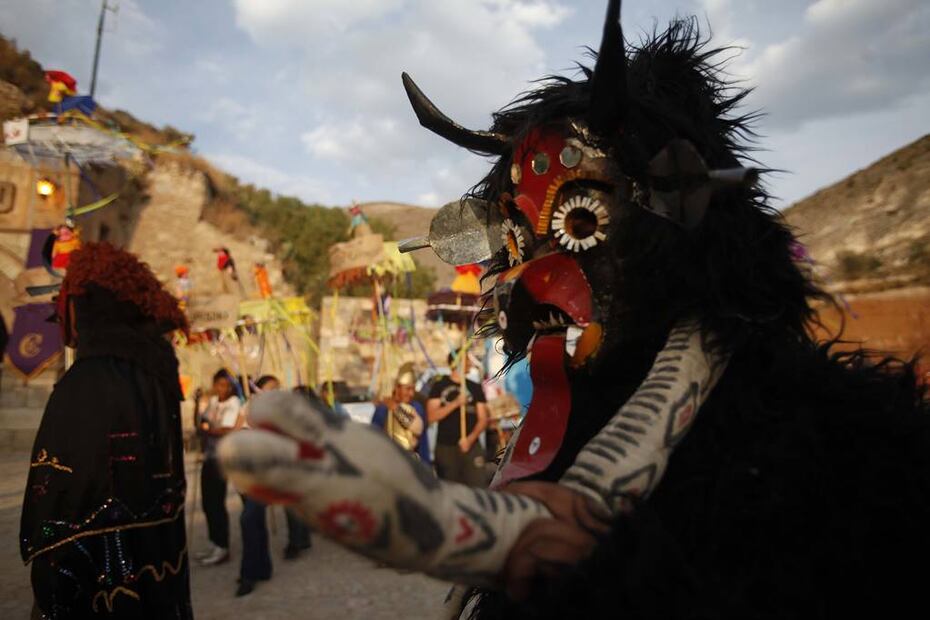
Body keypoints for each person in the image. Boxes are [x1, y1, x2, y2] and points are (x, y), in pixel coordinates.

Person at [20, 242, 192, 618]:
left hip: (96, 582)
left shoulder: (89, 380)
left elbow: (60, 505)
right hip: (154, 569)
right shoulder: (154, 378)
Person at [196, 368, 244, 566]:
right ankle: (215, 542)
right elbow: (203, 422)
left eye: (225, 385)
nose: (222, 388)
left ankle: (222, 545)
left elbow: (226, 429)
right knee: (208, 502)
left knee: (216, 501)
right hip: (210, 456)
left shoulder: (234, 403)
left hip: (223, 457)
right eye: (218, 384)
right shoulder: (213, 402)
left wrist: (210, 430)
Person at [236, 374, 278, 596]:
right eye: (270, 388)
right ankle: (263, 567)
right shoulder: (246, 407)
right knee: (256, 521)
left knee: (248, 521)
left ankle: (248, 574)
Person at [426, 351, 488, 486]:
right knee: (449, 489)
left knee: (478, 487)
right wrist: (456, 403)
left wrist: (470, 440)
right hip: (446, 447)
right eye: (467, 360)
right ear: (457, 362)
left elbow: (483, 418)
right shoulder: (439, 386)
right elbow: (431, 417)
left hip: (471, 446)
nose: (470, 363)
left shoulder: (475, 387)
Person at [372, 363, 431, 463]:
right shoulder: (383, 409)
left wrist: (396, 409)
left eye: (413, 389)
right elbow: (375, 436)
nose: (411, 393)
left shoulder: (416, 407)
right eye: (407, 389)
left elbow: (417, 428)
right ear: (397, 388)